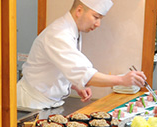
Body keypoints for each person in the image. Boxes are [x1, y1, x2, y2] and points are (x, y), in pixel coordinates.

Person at [17, 0, 147, 110]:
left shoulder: (72, 30)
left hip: (48, 102)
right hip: (32, 104)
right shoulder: (59, 34)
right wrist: (122, 80)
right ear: (79, 10)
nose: (98, 24)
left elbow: (62, 67)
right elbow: (86, 75)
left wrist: (76, 85)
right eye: (96, 17)